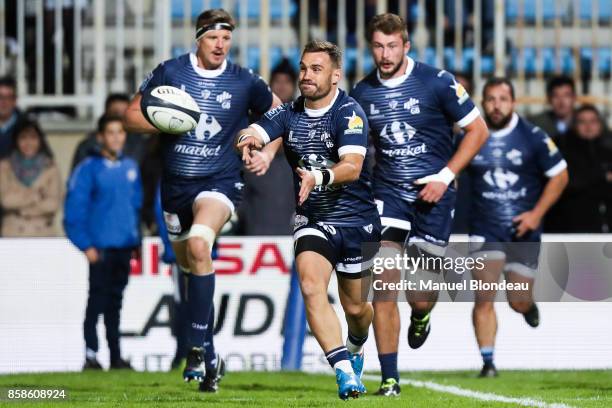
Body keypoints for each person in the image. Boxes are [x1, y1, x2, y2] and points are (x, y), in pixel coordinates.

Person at [123, 8, 280, 392]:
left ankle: (194, 346)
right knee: (190, 265)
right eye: (213, 38)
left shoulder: (244, 80)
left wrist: (267, 152)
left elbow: (280, 112)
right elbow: (130, 116)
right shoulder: (171, 73)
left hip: (221, 182)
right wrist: (164, 119)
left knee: (199, 244)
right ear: (198, 38)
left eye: (226, 38)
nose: (221, 45)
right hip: (176, 186)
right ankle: (210, 356)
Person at [350, 13, 488, 396]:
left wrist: (445, 176)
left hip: (435, 196)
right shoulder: (363, 93)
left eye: (392, 45)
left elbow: (478, 131)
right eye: (378, 45)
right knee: (384, 281)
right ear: (371, 46)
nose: (385, 53)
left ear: (406, 46)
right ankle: (390, 378)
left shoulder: (437, 81)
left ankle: (422, 315)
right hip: (389, 194)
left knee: (421, 294)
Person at [237, 40, 380, 400]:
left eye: (316, 69)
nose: (306, 76)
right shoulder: (288, 112)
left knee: (357, 309)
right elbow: (256, 129)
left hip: (357, 220)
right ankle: (345, 372)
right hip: (313, 217)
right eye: (303, 68)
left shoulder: (349, 112)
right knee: (311, 286)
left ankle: (357, 344)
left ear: (335, 76)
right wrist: (248, 140)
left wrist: (319, 177)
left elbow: (352, 166)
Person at [464, 78, 568, 377]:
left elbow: (560, 176)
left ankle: (528, 307)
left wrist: (536, 214)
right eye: (491, 99)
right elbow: (453, 168)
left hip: (524, 231)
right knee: (484, 296)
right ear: (482, 103)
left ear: (514, 103)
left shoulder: (532, 136)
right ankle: (488, 362)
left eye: (503, 99)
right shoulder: (473, 135)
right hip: (485, 228)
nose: (497, 105)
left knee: (517, 300)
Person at [64, 115, 143, 371]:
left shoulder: (131, 166)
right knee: (96, 303)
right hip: (100, 249)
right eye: (111, 132)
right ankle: (90, 355)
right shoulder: (88, 169)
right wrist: (86, 245)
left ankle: (116, 356)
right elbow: (74, 212)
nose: (117, 137)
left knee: (115, 305)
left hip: (123, 247)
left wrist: (136, 240)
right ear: (100, 137)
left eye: (120, 132)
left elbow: (135, 206)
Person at [239, 59, 296, 235]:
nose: (281, 86)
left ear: (294, 86)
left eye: (286, 82)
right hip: (259, 186)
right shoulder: (256, 117)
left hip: (289, 187)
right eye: (277, 81)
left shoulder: (303, 116)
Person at [546, 105, 612, 232]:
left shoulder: (608, 154)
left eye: (593, 121)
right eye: (582, 122)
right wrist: (604, 177)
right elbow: (569, 182)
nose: (588, 126)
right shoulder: (563, 153)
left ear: (600, 124)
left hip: (604, 227)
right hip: (572, 226)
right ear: (575, 125)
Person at [0, 120, 62, 236]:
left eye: (33, 138)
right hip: (13, 231)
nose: (28, 143)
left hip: (43, 231)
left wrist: (22, 206)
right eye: (23, 138)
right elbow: (6, 200)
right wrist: (36, 196)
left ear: (40, 140)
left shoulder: (50, 167)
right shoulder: (5, 167)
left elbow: (53, 204)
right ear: (16, 140)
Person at [71, 93, 147, 170]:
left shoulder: (139, 144)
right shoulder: (88, 147)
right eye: (116, 113)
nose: (120, 117)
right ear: (106, 113)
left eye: (124, 112)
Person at [528, 76, 577, 144]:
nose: (561, 102)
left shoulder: (586, 121)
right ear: (549, 99)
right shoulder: (536, 124)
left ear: (574, 98)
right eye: (556, 96)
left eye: (566, 95)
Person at [0, 76, 27, 159]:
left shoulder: (26, 126)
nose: (4, 102)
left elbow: (44, 160)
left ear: (15, 100)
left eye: (8, 97)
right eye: (0, 97)